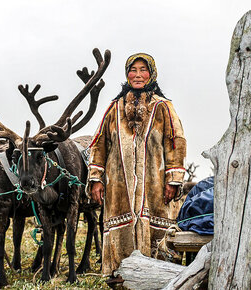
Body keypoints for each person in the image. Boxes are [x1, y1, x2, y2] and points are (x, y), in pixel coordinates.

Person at [86, 53, 187, 276]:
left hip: (156, 186)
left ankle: (160, 277)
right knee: (120, 235)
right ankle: (120, 277)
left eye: (143, 70)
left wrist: (173, 179)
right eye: (133, 70)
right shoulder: (115, 108)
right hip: (118, 187)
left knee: (157, 232)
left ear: (151, 74)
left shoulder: (163, 107)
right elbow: (99, 143)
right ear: (127, 74)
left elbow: (176, 143)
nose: (138, 75)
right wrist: (96, 179)